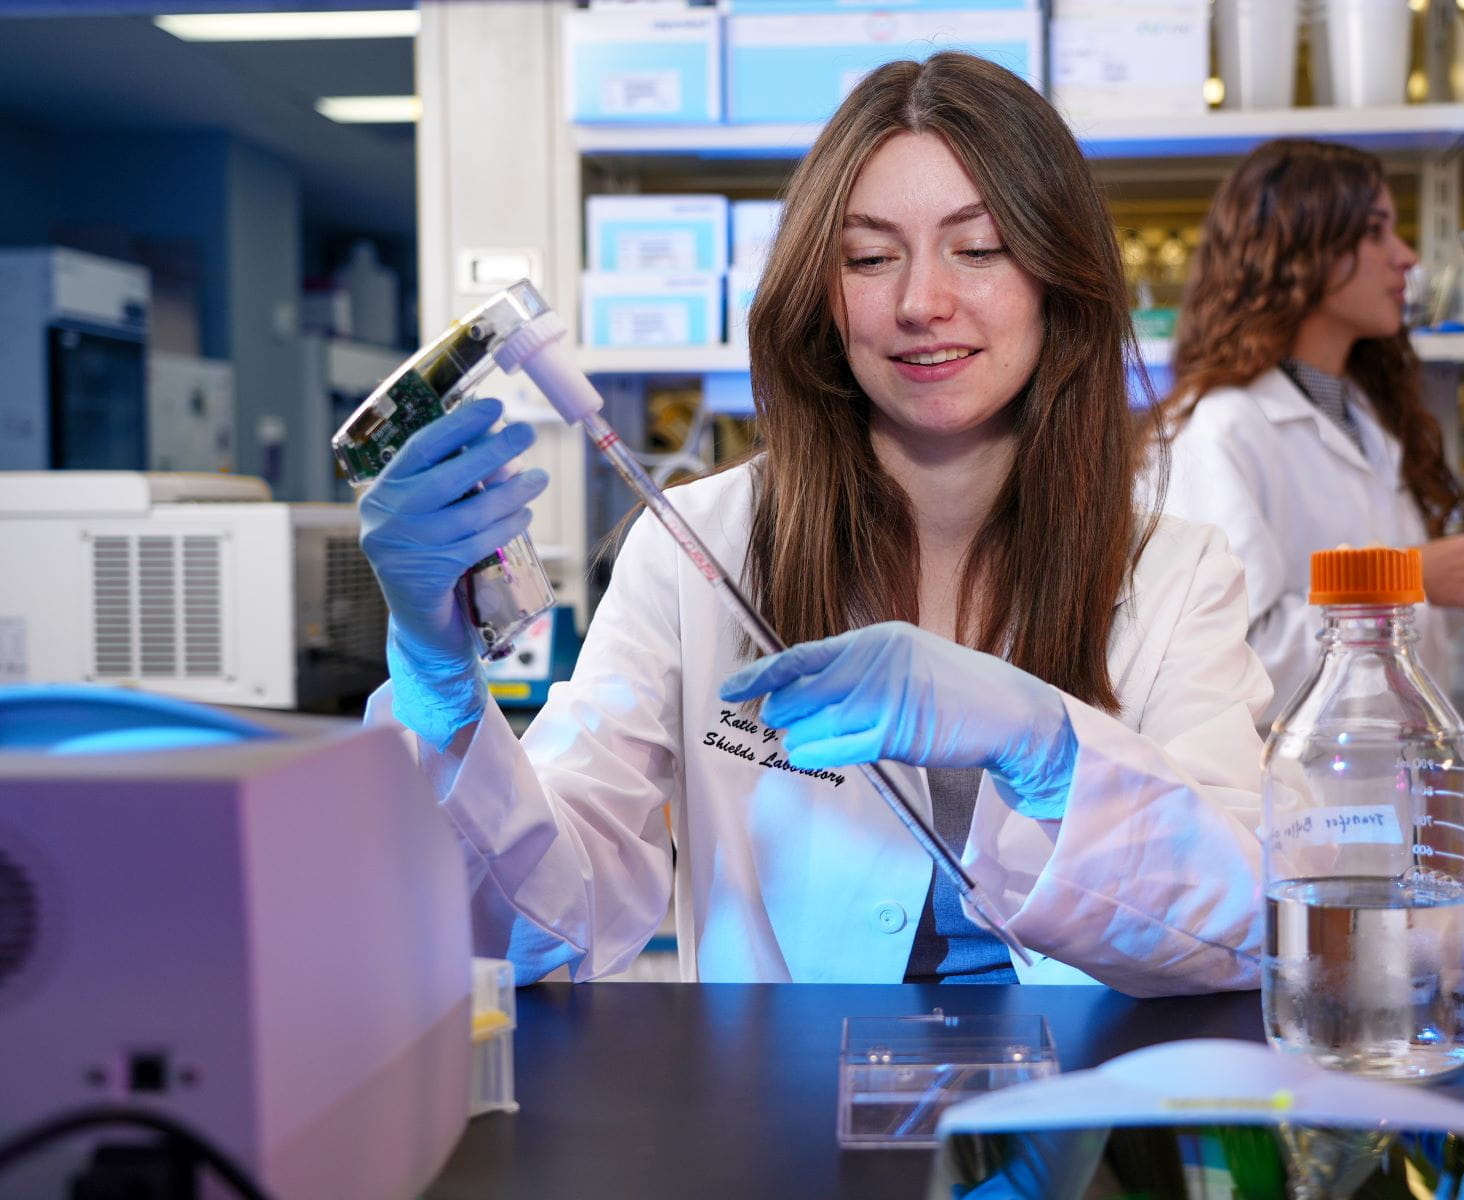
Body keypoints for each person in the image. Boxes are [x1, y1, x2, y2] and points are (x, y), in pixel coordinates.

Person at [356, 53, 1271, 996]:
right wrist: (436, 680)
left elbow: (1245, 932)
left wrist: (1046, 748)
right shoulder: (697, 544)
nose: (922, 303)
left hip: (1080, 1121)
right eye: (870, 257)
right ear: (821, 296)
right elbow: (537, 931)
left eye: (981, 246)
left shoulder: (1175, 570)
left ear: (1057, 278)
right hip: (777, 1122)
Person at [1155, 138, 1464, 716]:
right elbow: (1228, 659)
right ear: (1300, 250)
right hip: (1286, 794)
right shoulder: (1221, 429)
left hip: (1383, 776)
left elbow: (1404, 652)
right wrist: (1408, 580)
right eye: (1375, 232)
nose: (1407, 256)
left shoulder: (1360, 415)